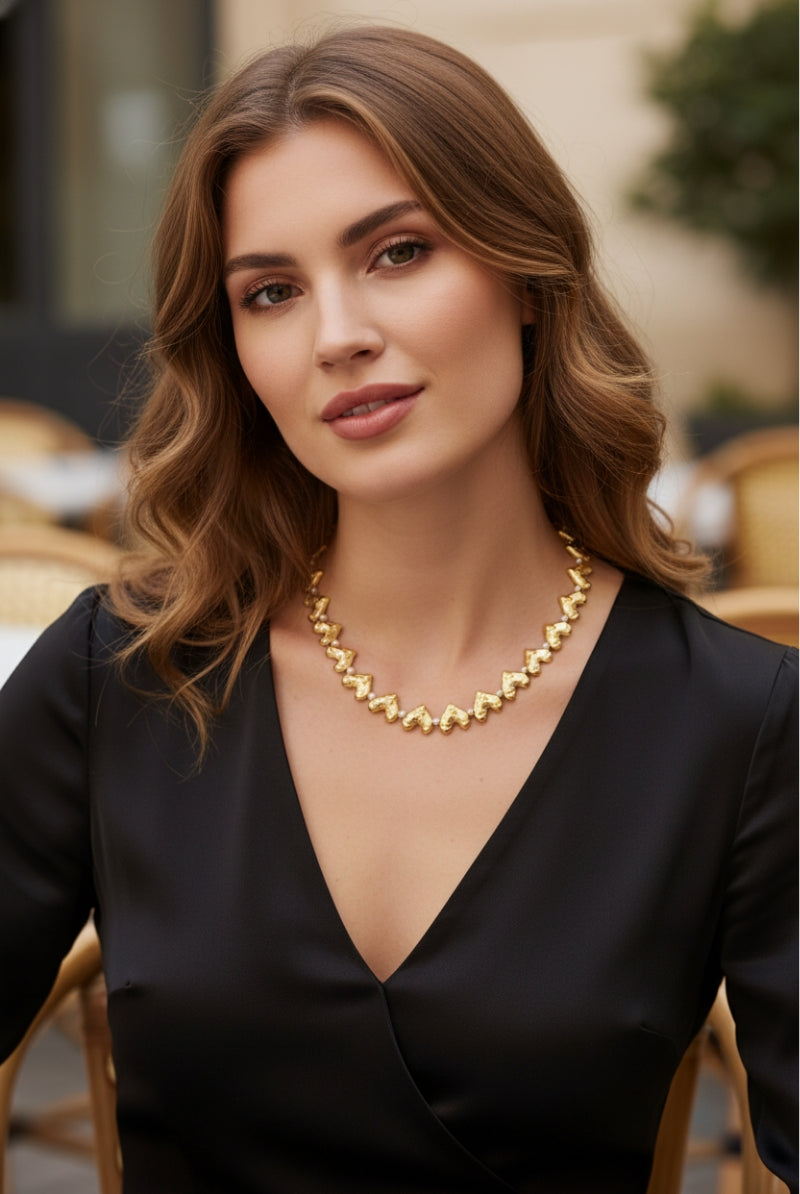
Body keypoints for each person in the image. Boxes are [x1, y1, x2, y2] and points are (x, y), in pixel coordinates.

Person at [0, 24, 796, 1194]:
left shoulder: (739, 722)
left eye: (397, 253)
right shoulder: (121, 675)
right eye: (269, 292)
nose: (337, 337)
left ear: (527, 275)